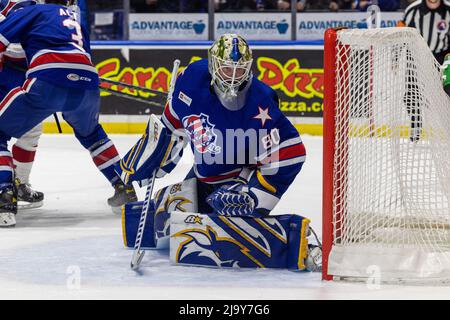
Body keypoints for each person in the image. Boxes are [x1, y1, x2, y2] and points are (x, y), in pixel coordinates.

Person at [0, 0, 137, 227]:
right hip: (87, 81)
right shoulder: (76, 18)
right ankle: (125, 188)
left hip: (46, 78)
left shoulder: (34, 10)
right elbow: (84, 55)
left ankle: (5, 195)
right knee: (93, 136)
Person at [160, 34, 306, 217]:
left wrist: (255, 196)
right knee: (171, 220)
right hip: (203, 173)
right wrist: (158, 151)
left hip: (240, 178)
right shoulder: (193, 77)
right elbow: (174, 120)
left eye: (240, 70)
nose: (234, 77)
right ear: (214, 65)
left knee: (212, 229)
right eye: (228, 69)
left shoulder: (262, 100)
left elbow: (291, 152)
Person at [0, 43, 44, 209]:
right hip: (6, 77)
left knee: (32, 132)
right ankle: (4, 189)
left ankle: (19, 185)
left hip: (29, 80)